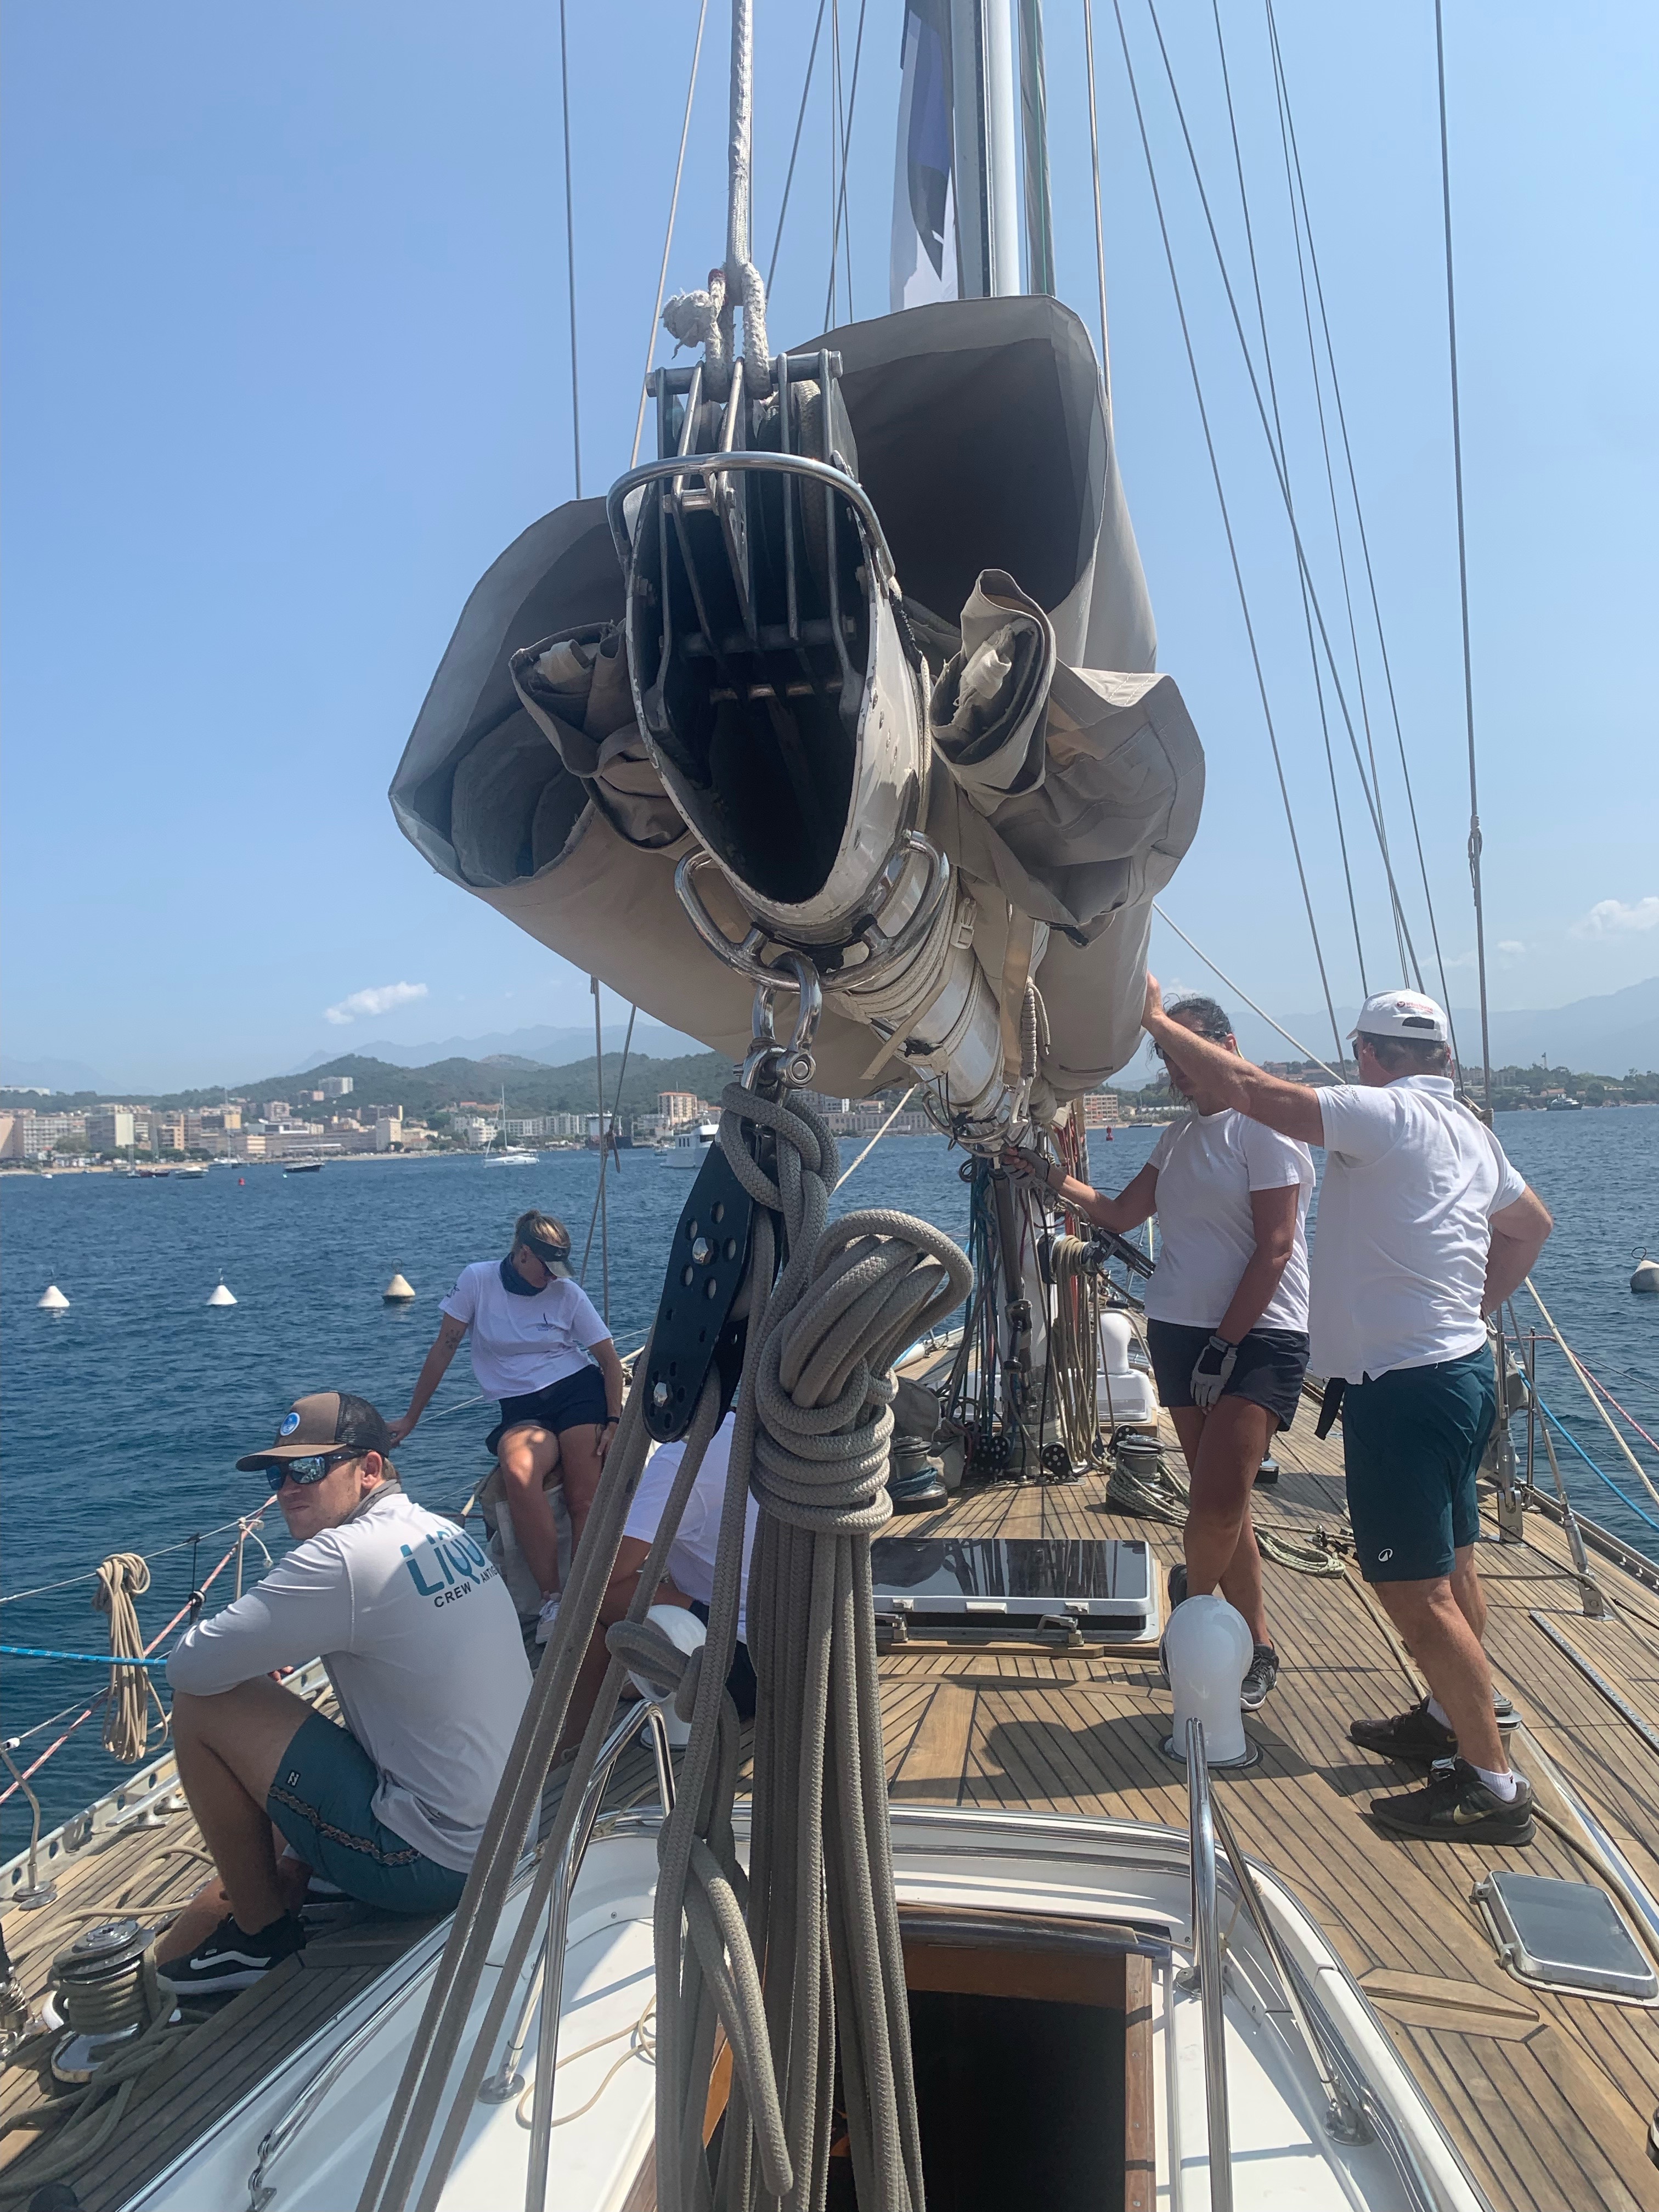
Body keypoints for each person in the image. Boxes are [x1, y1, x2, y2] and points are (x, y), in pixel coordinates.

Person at [1142, 979, 1554, 1845]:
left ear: (1370, 1056)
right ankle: (1445, 1720)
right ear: (1439, 1057)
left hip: (1403, 1389)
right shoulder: (1471, 1132)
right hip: (1460, 1376)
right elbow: (1531, 1227)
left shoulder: (1388, 1115)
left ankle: (1493, 1785)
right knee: (1457, 1568)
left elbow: (1256, 1094)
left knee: (1413, 1593)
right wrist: (1465, 1314)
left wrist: (1150, 1018)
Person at [159, 1392, 531, 1992]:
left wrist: (256, 1656)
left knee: (204, 1706)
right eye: (279, 1474)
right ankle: (313, 1863)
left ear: (370, 1469)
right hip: (516, 1832)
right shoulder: (440, 1529)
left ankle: (260, 1938)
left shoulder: (342, 1557)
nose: (286, 1488)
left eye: (307, 1469)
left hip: (437, 1867)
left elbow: (189, 1668)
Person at [1010, 994, 1312, 1711]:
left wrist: (1226, 1345)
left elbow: (1274, 1249)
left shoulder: (1263, 1128)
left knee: (1215, 1504)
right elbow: (1119, 1214)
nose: (1177, 1072)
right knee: (1224, 1503)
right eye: (1168, 1059)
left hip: (1260, 1334)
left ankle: (1191, 1601)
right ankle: (1257, 1644)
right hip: (1179, 1327)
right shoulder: (1178, 1138)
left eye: (1186, 1054)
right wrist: (1041, 1171)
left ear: (1228, 1044)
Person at [389, 1212, 625, 1632]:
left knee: (583, 1496)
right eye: (546, 1268)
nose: (552, 1279)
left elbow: (607, 1360)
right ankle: (553, 1599)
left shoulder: (566, 1293)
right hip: (520, 1408)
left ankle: (591, 1596)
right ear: (522, 1254)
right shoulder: (477, 1281)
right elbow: (444, 1348)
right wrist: (412, 1417)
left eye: (559, 1271)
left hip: (576, 1392)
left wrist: (613, 1420)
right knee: (518, 1473)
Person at [563, 1413, 759, 1741]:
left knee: (592, 1593)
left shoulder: (682, 1459)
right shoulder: (747, 1429)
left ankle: (573, 1743)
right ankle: (649, 1678)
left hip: (738, 1673)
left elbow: (602, 1575)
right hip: (808, 1659)